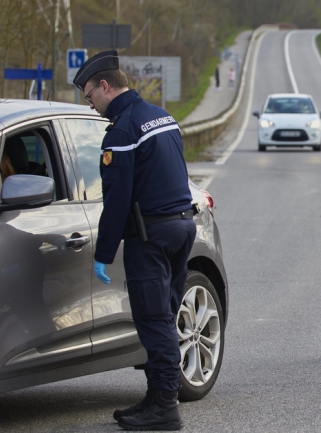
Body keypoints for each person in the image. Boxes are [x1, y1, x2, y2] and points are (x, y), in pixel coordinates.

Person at [72, 50, 196, 430]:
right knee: (165, 314)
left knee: (153, 319)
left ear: (105, 86)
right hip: (182, 226)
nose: (90, 105)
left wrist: (103, 252)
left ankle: (164, 406)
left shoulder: (122, 131)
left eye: (90, 95)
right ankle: (159, 393)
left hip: (152, 235)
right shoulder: (160, 115)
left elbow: (118, 198)